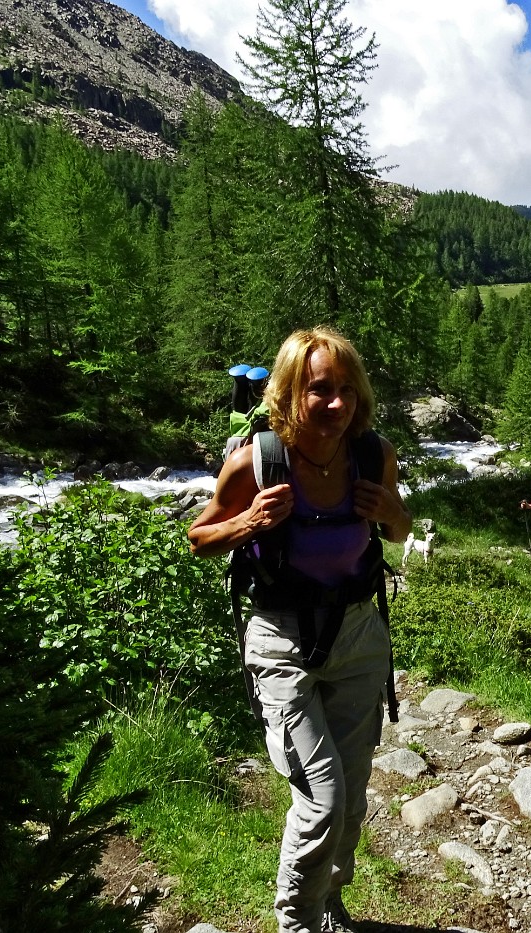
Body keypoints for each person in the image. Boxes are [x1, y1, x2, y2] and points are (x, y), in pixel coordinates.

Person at [188, 326, 411, 933]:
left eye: (345, 389)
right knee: (324, 795)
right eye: (319, 390)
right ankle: (298, 922)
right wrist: (248, 524)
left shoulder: (372, 455)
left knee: (354, 791)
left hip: (360, 634)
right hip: (282, 640)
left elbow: (395, 531)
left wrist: (394, 515)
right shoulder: (258, 462)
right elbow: (199, 537)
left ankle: (329, 901)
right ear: (290, 393)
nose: (336, 403)